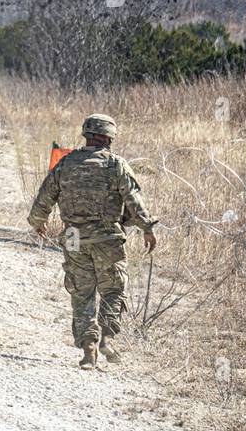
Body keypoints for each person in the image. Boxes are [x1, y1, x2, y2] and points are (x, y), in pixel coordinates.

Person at [27, 114, 157, 370]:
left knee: (82, 293)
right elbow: (133, 201)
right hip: (108, 236)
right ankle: (107, 338)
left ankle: (88, 350)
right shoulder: (116, 165)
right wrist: (147, 229)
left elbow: (45, 197)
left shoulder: (65, 164)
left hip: (74, 238)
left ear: (86, 135)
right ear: (109, 138)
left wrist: (38, 222)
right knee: (112, 289)